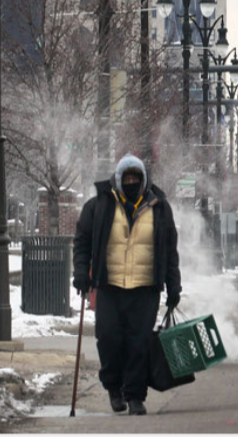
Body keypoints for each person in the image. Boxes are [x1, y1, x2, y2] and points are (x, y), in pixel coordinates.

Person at [73, 154, 181, 416]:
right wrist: (80, 273)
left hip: (145, 288)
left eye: (136, 178)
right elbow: (82, 241)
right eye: (127, 178)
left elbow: (169, 249)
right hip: (109, 285)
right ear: (119, 179)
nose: (132, 182)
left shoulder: (159, 207)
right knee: (108, 339)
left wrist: (173, 285)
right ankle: (113, 388)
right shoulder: (99, 204)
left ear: (144, 180)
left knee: (139, 343)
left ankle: (135, 396)